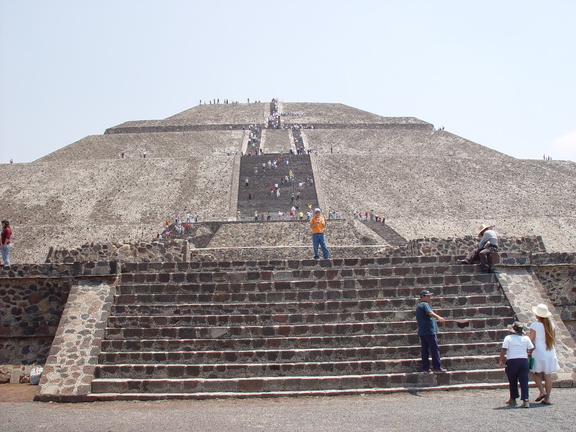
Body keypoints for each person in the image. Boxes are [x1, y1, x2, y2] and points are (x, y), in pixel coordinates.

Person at [499, 321, 534, 408]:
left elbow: (504, 350)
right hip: (523, 360)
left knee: (512, 380)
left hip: (512, 361)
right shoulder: (525, 338)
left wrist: (501, 360)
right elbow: (531, 347)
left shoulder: (508, 338)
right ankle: (525, 400)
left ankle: (513, 398)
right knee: (524, 380)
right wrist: (528, 353)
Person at [529, 303, 559, 405]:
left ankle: (542, 391)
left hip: (539, 351)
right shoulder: (551, 325)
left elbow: (531, 340)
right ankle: (548, 397)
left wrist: (528, 351)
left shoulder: (535, 325)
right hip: (550, 351)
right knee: (548, 375)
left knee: (533, 371)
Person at [416, 289, 446, 373]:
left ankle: (425, 368)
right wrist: (439, 317)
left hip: (423, 331)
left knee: (424, 349)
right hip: (429, 331)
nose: (429, 298)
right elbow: (430, 312)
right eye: (427, 296)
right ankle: (437, 367)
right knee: (434, 348)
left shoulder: (419, 306)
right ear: (422, 297)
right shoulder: (424, 304)